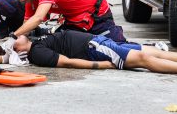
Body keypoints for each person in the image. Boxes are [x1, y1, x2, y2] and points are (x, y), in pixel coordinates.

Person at [13, 30, 177, 74]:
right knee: (143, 58)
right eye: (14, 41)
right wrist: (100, 65)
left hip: (99, 41)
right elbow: (66, 62)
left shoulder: (36, 39)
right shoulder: (36, 53)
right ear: (18, 50)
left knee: (151, 51)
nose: (17, 35)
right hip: (94, 48)